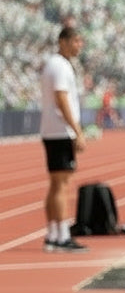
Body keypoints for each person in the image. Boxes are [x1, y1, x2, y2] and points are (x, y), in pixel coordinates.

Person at [40, 25, 88, 252]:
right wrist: (77, 131)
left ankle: (52, 233)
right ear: (63, 41)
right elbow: (62, 99)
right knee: (62, 184)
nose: (80, 45)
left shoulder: (54, 64)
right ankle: (61, 237)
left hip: (52, 131)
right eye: (76, 41)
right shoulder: (60, 66)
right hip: (60, 131)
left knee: (55, 184)